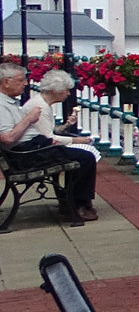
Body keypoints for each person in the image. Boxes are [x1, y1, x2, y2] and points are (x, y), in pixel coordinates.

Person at [0, 66, 98, 223]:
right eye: (21, 80)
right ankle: (79, 205)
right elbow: (7, 138)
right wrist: (29, 118)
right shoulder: (2, 105)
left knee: (79, 155)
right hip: (25, 155)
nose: (25, 83)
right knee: (85, 157)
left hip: (30, 148)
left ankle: (71, 202)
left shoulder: (9, 102)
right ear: (6, 82)